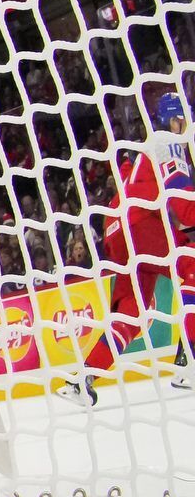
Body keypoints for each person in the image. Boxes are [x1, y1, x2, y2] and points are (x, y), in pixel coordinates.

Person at [64, 93, 195, 402]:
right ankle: (188, 360)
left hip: (118, 230)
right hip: (140, 224)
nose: (186, 126)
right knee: (192, 264)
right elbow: (180, 198)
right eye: (183, 120)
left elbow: (129, 177)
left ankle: (83, 380)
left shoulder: (146, 149)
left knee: (135, 312)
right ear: (173, 120)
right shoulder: (167, 141)